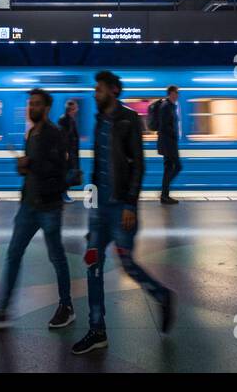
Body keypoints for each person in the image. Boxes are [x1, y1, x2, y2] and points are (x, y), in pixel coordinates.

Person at [72, 71, 175, 355]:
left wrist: (131, 204)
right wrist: (91, 206)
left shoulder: (129, 119)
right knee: (92, 261)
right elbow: (97, 165)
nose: (95, 93)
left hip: (121, 208)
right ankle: (97, 330)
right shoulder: (98, 119)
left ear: (114, 91)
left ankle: (162, 296)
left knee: (127, 264)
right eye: (95, 89)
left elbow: (138, 165)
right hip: (100, 208)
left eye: (100, 89)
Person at [0, 88, 75, 330]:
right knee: (13, 253)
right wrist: (23, 168)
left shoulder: (55, 135)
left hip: (49, 206)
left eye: (37, 104)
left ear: (47, 108)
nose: (32, 108)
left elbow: (61, 173)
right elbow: (31, 170)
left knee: (57, 257)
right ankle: (2, 309)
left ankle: (66, 306)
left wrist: (31, 165)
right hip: (28, 206)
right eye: (31, 104)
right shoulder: (31, 134)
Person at [157, 85, 182, 204]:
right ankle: (164, 193)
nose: (178, 95)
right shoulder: (166, 106)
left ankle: (164, 195)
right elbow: (164, 126)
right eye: (177, 93)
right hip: (168, 143)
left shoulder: (170, 106)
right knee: (177, 166)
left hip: (169, 142)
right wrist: (174, 134)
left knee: (169, 168)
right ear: (171, 93)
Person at [58, 99, 81, 203]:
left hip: (71, 151)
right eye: (75, 108)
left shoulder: (71, 119)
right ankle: (63, 194)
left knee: (69, 173)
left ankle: (64, 193)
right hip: (67, 152)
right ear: (71, 109)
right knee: (67, 173)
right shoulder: (64, 120)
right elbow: (63, 136)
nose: (77, 110)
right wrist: (65, 151)